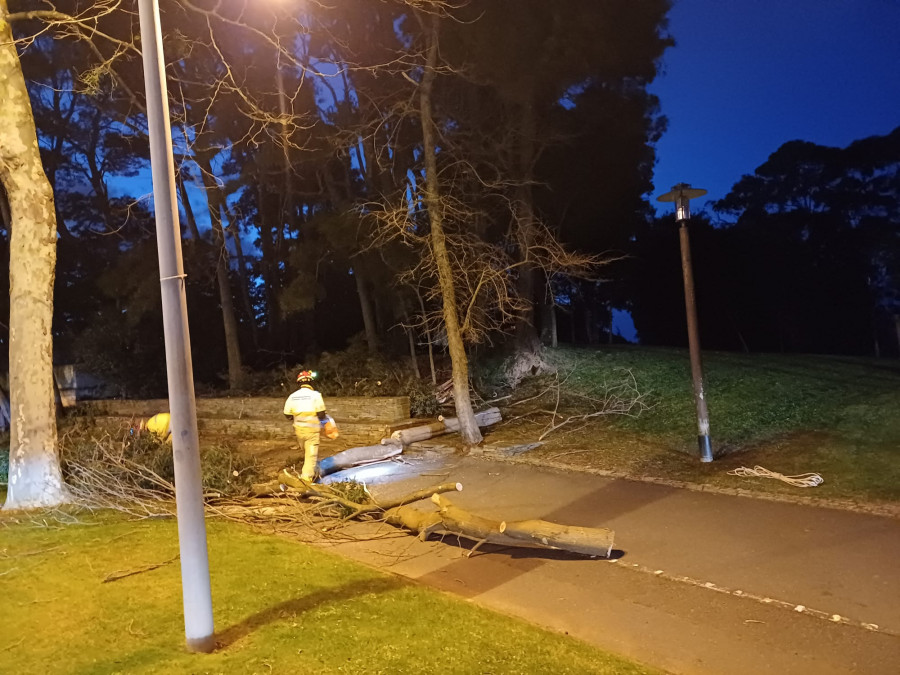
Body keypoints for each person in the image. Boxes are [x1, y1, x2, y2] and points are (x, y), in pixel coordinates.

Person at [283, 370, 335, 482]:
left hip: (299, 432)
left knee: (307, 453)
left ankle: (313, 469)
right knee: (311, 456)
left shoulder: (292, 396)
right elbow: (321, 414)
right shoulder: (316, 395)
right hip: (312, 432)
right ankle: (306, 480)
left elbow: (287, 414)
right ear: (311, 383)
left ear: (299, 383)